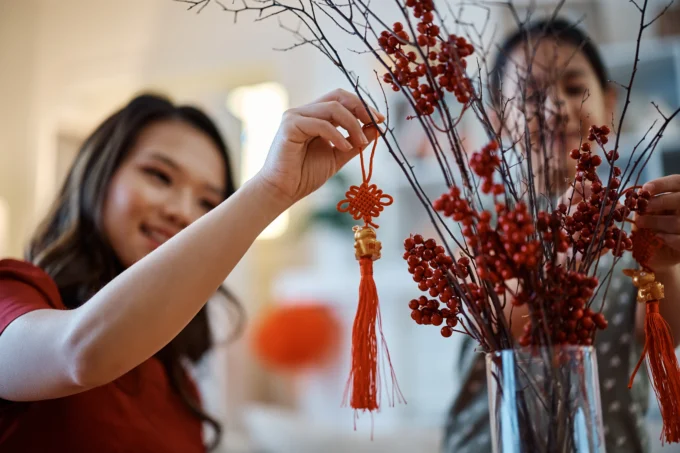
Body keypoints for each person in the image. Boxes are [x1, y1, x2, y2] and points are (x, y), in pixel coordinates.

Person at [0, 89, 384, 452]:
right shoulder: (14, 295)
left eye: (207, 202)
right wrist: (271, 191)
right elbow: (78, 355)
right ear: (97, 176)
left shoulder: (177, 378)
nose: (183, 212)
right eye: (159, 176)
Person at [443, 18, 680, 453]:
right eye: (532, 95)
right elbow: (509, 338)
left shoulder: (630, 224)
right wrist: (550, 268)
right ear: (498, 121)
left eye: (574, 88)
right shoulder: (485, 229)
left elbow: (662, 337)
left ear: (609, 104)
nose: (556, 107)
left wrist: (663, 263)